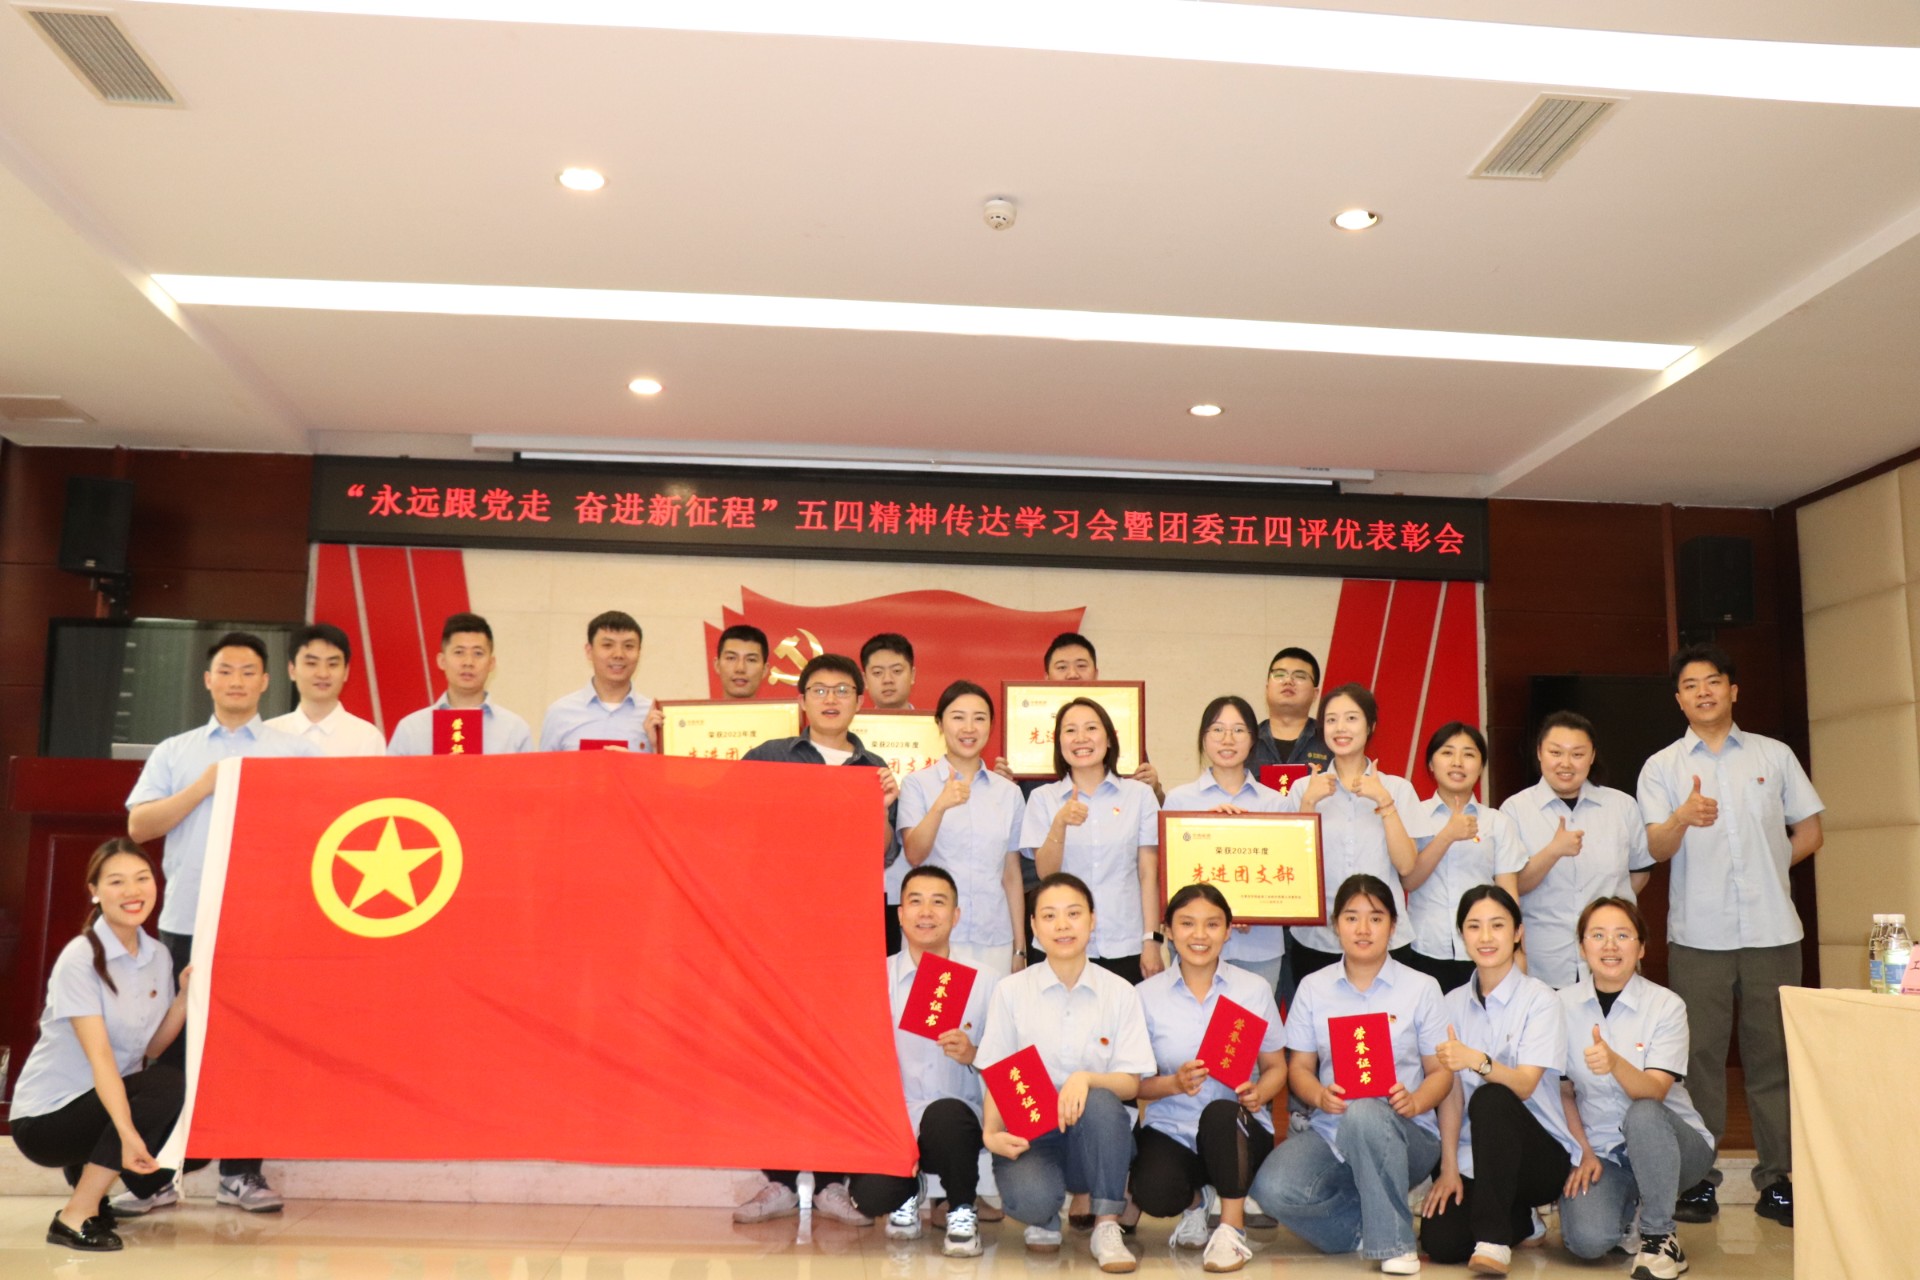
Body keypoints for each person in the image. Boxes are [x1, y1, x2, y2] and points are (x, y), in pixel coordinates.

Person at [124, 631, 315, 1213]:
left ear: (266, 682)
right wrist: (204, 787)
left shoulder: (294, 752)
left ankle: (241, 1174)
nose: (236, 680)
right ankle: (158, 1176)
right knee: (176, 1048)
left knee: (252, 1048)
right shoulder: (176, 750)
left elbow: (315, 833)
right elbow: (139, 827)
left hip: (264, 922)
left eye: (248, 671)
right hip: (188, 918)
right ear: (207, 680)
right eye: (225, 670)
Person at [1638, 643, 1822, 1228]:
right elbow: (1655, 848)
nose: (1703, 692)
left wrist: (1769, 868)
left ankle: (1779, 1179)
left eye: (1713, 681)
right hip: (1698, 936)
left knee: (1774, 1057)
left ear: (1733, 690)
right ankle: (1698, 1180)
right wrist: (1681, 818)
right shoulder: (1661, 767)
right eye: (1690, 685)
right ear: (1678, 699)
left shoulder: (1774, 755)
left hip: (1774, 932)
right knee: (1698, 1060)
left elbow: (1811, 832)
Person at [733, 653, 901, 1228]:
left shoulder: (873, 768)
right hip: (777, 930)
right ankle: (779, 1182)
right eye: (820, 690)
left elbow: (883, 853)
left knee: (839, 1054)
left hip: (847, 933)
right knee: (774, 1052)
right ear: (801, 700)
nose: (831, 699)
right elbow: (733, 823)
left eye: (843, 690)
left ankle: (832, 1182)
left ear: (859, 700)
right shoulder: (770, 757)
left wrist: (881, 806)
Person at [1249, 875, 1449, 1275]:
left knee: (1366, 1113)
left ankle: (1395, 1244)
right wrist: (1319, 1096)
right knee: (1271, 1188)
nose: (1363, 929)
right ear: (1335, 925)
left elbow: (1440, 1072)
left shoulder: (1422, 987)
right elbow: (1299, 1068)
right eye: (1351, 917)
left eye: (1375, 918)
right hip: (1332, 1128)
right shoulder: (1313, 988)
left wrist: (1416, 1101)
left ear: (1393, 926)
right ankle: (1362, 1227)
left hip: (1407, 1131)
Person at [9, 841, 190, 1250]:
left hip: (96, 1102)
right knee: (165, 1086)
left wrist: (183, 997)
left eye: (142, 879)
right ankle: (75, 1215)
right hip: (46, 1119)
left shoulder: (158, 955)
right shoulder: (80, 958)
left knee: (179, 1091)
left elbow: (152, 1047)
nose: (133, 891)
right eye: (117, 882)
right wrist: (126, 1133)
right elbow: (101, 1057)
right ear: (94, 891)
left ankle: (93, 1190)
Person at [977, 873, 1153, 1272]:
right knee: (1032, 1201)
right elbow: (998, 1073)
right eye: (1049, 916)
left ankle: (1106, 1224)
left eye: (1073, 914)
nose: (1062, 925)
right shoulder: (1011, 991)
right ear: (1034, 927)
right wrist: (990, 1132)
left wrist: (1085, 1078)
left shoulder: (1120, 992)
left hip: (1094, 1135)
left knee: (1103, 1100)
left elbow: (1131, 1083)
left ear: (1092, 920)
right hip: (1031, 1133)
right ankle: (1044, 1215)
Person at [1128, 883, 1287, 1273]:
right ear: (1168, 930)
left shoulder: (1252, 990)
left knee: (1221, 1112)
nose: (1200, 935)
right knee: (1153, 1191)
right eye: (1187, 923)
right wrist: (1173, 1084)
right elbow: (1135, 1084)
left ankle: (1231, 1229)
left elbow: (1277, 1067)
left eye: (1212, 924)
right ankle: (1196, 1203)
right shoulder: (1145, 996)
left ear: (1228, 931)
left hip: (1237, 1131)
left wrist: (1259, 1093)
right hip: (1173, 1128)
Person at [1420, 886, 1578, 1275]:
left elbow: (1524, 1085)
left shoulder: (1541, 1000)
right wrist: (1449, 1168)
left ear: (1518, 932)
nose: (1486, 937)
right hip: (1476, 1155)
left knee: (1492, 1098)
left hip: (1537, 1156)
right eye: (1474, 926)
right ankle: (1521, 1220)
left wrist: (1477, 1060)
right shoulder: (1451, 1003)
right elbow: (1451, 1095)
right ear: (1462, 934)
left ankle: (1494, 1241)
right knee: (1442, 1242)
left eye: (1497, 925)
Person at [1557, 898, 1717, 1280]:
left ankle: (1660, 1236)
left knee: (1642, 1112)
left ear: (1641, 947)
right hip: (1604, 1150)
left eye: (1623, 936)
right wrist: (1583, 1151)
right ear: (1582, 946)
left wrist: (1615, 1063)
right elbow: (1562, 1092)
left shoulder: (1666, 1006)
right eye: (1598, 936)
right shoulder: (1560, 1006)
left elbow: (1655, 1092)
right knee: (1586, 1241)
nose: (1610, 946)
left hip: (1675, 1147)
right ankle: (1634, 1211)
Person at [848, 865, 997, 1257]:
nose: (926, 912)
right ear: (900, 914)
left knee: (946, 1114)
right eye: (915, 902)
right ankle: (908, 1190)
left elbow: (1010, 1065)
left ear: (956, 915)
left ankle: (961, 1208)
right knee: (870, 1197)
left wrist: (973, 1054)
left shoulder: (986, 982)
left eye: (938, 902)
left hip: (959, 1123)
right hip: (894, 1123)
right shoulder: (874, 978)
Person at [1499, 711, 1653, 989]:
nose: (1566, 763)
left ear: (1592, 756)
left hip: (1611, 959)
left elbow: (1639, 875)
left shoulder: (1622, 806)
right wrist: (1553, 851)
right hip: (1544, 961)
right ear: (1539, 753)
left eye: (1577, 754)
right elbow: (1513, 886)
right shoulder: (1514, 810)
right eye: (1556, 752)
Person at [1287, 684, 1426, 982]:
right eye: (1331, 719)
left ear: (1370, 725)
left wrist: (1384, 801)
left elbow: (1406, 865)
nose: (1340, 728)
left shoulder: (1398, 789)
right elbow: (1293, 870)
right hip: (1318, 938)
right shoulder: (1303, 789)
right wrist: (1308, 805)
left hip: (1384, 936)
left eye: (1351, 718)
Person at [1023, 698, 1162, 984]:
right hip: (1061, 941)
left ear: (1109, 739)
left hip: (1125, 942)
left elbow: (1148, 874)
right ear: (1059, 743)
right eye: (1070, 730)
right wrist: (1060, 823)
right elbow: (1045, 874)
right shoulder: (1043, 798)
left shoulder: (1139, 795)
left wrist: (1151, 939)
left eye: (1091, 728)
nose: (1081, 738)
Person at [897, 681, 1027, 982]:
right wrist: (940, 806)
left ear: (991, 725)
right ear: (940, 723)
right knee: (935, 1013)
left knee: (990, 1013)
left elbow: (1011, 874)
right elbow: (914, 854)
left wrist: (1019, 947)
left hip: (993, 936)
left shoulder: (1008, 793)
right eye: (958, 717)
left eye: (979, 718)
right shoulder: (917, 785)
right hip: (934, 934)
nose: (969, 728)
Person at [1161, 696, 1289, 991]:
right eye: (1217, 730)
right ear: (1203, 738)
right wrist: (1204, 827)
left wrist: (1249, 909)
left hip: (1258, 946)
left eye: (1239, 730)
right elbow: (1171, 875)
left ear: (1253, 739)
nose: (1227, 739)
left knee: (1248, 1020)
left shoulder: (1275, 804)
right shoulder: (1180, 801)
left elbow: (1284, 876)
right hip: (1195, 942)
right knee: (1193, 1016)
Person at [1402, 723, 1525, 993]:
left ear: (1481, 767)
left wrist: (1517, 950)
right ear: (1431, 764)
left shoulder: (1497, 822)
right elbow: (1409, 880)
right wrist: (1447, 835)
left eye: (1468, 754)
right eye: (1447, 753)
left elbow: (1508, 894)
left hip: (1485, 948)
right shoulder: (1413, 815)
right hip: (1426, 946)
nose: (1457, 762)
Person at [994, 633, 1162, 798]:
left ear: (1096, 674)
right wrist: (1003, 786)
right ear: (1046, 677)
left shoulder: (1123, 724)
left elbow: (1152, 803)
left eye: (1081, 666)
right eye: (1062, 667)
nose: (1072, 674)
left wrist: (1154, 788)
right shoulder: (1022, 726)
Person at [386, 613, 535, 756]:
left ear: (491, 663)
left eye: (478, 653)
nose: (468, 662)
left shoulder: (515, 730)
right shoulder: (411, 729)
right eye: (459, 652)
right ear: (442, 661)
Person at [538, 610, 661, 751]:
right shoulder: (560, 712)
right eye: (607, 645)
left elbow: (670, 765)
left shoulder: (654, 717)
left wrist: (655, 748)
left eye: (629, 646)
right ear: (589, 651)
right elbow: (545, 765)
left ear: (639, 652)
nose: (619, 654)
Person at [263, 622, 385, 756]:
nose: (323, 674)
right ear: (292, 670)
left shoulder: (367, 738)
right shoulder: (267, 735)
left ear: (346, 672)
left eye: (333, 664)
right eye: (311, 663)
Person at [1250, 647, 1332, 772]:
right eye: (1279, 675)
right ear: (1267, 689)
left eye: (1300, 676)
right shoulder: (1247, 740)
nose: (1288, 681)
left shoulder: (1330, 740)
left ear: (1315, 693)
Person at [861, 632, 918, 710]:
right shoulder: (851, 718)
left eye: (897, 670)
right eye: (877, 672)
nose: (887, 680)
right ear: (865, 680)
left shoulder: (931, 718)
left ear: (912, 675)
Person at [713, 624, 771, 699]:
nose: (740, 669)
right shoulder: (699, 707)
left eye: (751, 660)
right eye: (731, 658)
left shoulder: (783, 707)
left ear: (764, 670)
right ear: (717, 665)